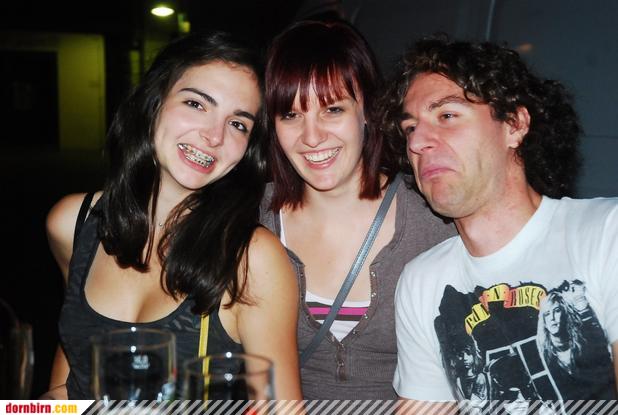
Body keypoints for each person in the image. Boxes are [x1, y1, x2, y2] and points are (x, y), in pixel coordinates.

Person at [43, 32, 301, 400]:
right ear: (154, 103)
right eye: (196, 104)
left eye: (238, 124)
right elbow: (66, 383)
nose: (214, 136)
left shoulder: (250, 258)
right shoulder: (73, 222)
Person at [381, 35, 618, 402]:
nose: (417, 142)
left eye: (447, 116)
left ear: (514, 125)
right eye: (410, 127)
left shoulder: (605, 234)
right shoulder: (423, 282)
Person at [260, 20, 455, 400]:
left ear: (367, 109)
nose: (312, 137)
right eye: (291, 115)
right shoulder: (254, 220)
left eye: (332, 110)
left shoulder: (435, 218)